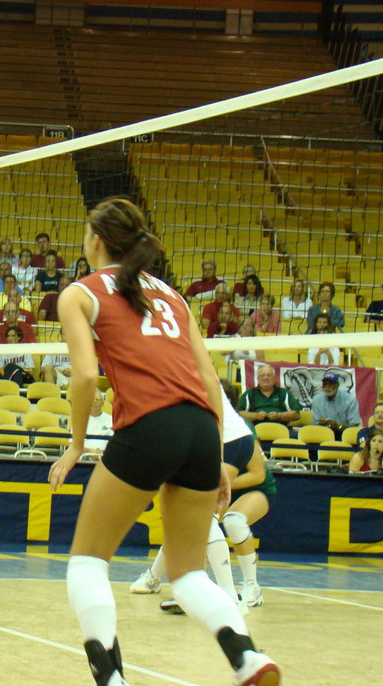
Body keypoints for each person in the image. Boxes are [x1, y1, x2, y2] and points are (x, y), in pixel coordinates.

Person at [47, 198, 278, 686]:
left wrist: (75, 443)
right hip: (200, 428)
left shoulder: (79, 293)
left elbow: (86, 375)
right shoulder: (173, 295)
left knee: (87, 563)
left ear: (95, 241)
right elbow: (210, 381)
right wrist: (216, 458)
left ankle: (111, 680)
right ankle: (248, 658)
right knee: (190, 573)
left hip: (149, 426)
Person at [134, 385, 274, 613]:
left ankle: (231, 595)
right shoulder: (181, 371)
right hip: (216, 439)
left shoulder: (177, 373)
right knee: (185, 516)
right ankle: (186, 586)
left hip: (226, 442)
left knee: (202, 515)